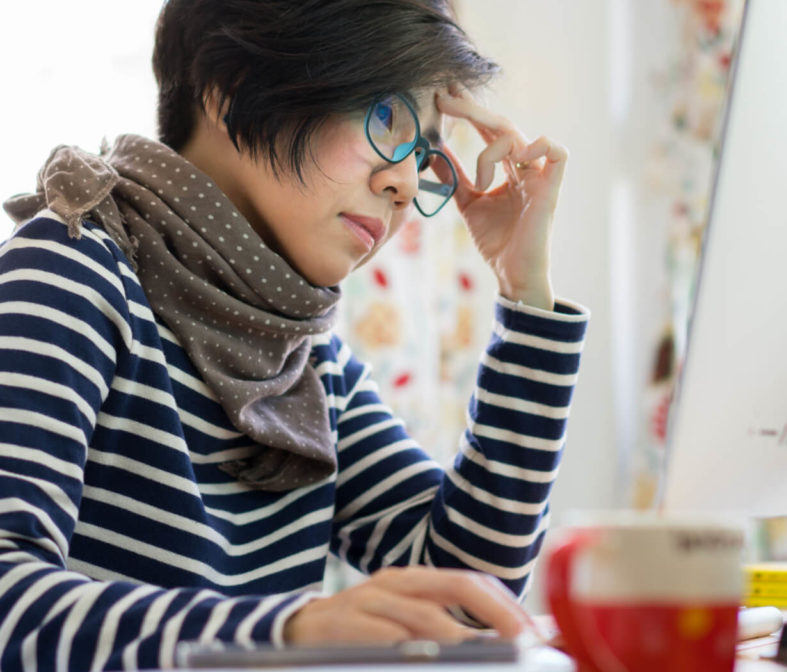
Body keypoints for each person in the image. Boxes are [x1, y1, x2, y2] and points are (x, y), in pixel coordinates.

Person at [0, 1, 588, 670]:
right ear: (230, 87)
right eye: (386, 116)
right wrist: (291, 631)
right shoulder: (69, 271)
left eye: (425, 155)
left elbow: (465, 600)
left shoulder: (307, 360)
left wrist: (526, 292)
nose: (403, 184)